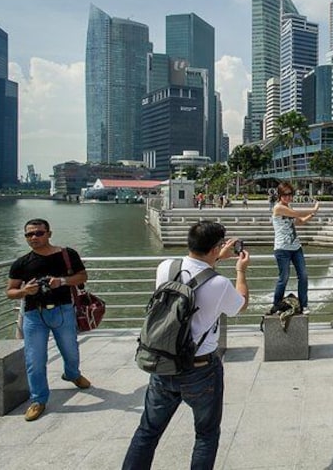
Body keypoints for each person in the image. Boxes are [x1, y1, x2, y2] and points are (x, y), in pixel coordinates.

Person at [123, 220, 249, 469]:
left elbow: (193, 277)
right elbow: (240, 305)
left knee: (147, 432)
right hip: (201, 369)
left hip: (163, 362)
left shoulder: (166, 267)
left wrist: (215, 258)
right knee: (206, 434)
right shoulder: (220, 284)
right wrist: (241, 271)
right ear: (217, 248)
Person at [6, 218, 91, 422]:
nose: (34, 237)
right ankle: (38, 400)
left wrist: (60, 281)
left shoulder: (67, 255)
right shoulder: (21, 263)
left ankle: (72, 374)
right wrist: (24, 291)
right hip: (34, 315)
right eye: (29, 234)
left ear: (49, 234)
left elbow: (82, 277)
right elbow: (10, 291)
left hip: (63, 311)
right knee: (35, 360)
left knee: (71, 351)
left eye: (39, 233)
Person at [272, 181, 319, 312]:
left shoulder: (289, 207)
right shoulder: (278, 208)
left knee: (303, 276)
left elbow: (300, 221)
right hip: (282, 249)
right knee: (284, 278)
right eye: (285, 195)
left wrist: (313, 214)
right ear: (280, 195)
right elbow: (298, 214)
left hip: (296, 248)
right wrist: (313, 208)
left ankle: (304, 305)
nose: (288, 197)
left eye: (290, 194)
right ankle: (277, 304)